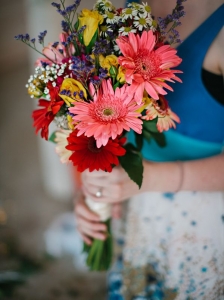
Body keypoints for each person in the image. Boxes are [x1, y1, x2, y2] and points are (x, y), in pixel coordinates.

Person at [74, 0, 224, 299]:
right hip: (139, 214)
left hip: (207, 229)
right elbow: (91, 117)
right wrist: (92, 191)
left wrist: (147, 179)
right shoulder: (121, 10)